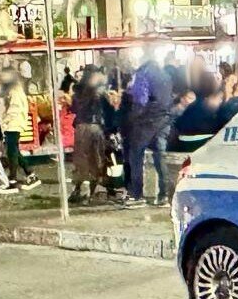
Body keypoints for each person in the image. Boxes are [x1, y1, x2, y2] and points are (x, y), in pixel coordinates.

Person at [123, 52, 175, 207]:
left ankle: (137, 195)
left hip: (146, 121)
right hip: (164, 120)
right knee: (160, 156)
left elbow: (141, 100)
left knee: (136, 155)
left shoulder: (143, 74)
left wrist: (132, 117)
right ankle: (164, 195)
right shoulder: (165, 75)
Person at [69, 68, 111, 203]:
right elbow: (107, 110)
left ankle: (78, 190)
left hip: (81, 127)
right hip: (95, 127)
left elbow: (73, 108)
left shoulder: (78, 91)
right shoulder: (100, 91)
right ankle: (91, 191)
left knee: (81, 160)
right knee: (96, 159)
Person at [0, 71, 40, 190]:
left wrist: (6, 122)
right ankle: (30, 173)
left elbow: (14, 108)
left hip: (13, 124)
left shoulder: (13, 90)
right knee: (14, 151)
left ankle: (13, 179)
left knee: (12, 152)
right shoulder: (13, 89)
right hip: (13, 123)